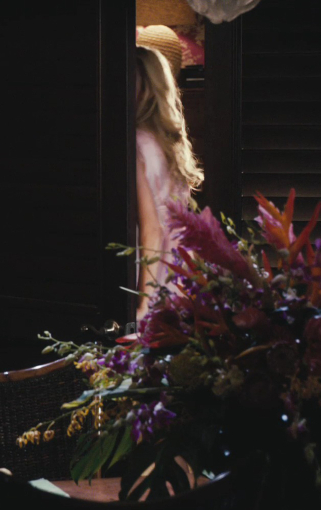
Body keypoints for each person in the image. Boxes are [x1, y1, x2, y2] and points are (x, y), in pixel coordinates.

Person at [135, 44, 204, 322]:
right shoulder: (168, 144)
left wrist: (143, 303)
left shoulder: (137, 143)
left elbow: (151, 228)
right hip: (179, 268)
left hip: (154, 271)